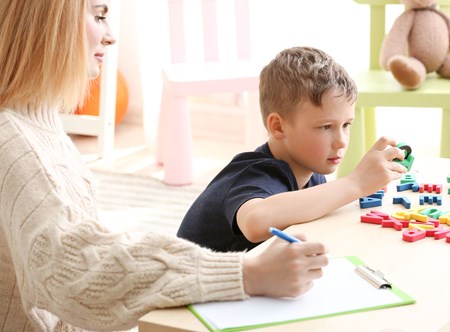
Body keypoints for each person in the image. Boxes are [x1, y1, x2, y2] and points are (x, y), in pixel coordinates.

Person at [0, 1, 330, 331]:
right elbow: (76, 271)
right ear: (48, 22)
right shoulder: (15, 143)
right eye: (99, 16)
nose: (112, 36)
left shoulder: (38, 126)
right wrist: (247, 273)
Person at [177, 46, 407, 252]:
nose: (341, 141)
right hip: (193, 288)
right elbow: (256, 222)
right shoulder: (255, 174)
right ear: (278, 126)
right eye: (326, 126)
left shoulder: (311, 168)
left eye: (346, 125)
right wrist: (354, 183)